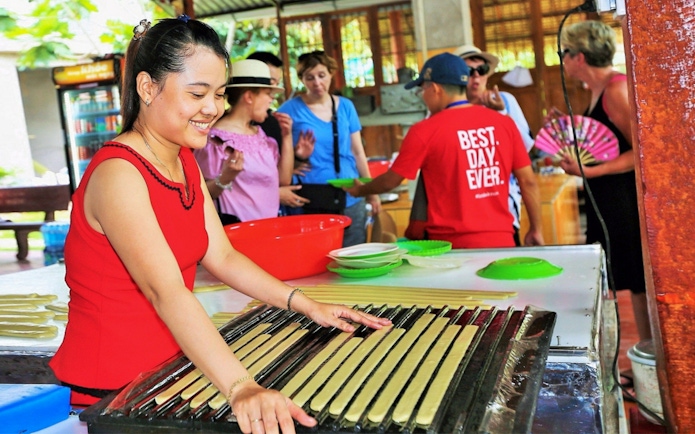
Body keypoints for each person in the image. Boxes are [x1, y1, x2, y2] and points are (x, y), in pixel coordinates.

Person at [48, 16, 391, 433]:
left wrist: (306, 305)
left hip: (170, 373)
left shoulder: (182, 160)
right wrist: (241, 386)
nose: (213, 108)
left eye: (219, 94)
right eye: (197, 93)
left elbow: (223, 255)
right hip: (109, 392)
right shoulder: (119, 173)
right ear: (147, 88)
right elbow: (166, 291)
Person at [345, 52, 543, 249]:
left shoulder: (424, 130)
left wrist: (361, 190)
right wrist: (536, 229)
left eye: (422, 90)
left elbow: (390, 181)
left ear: (435, 88)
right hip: (502, 242)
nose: (423, 96)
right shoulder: (504, 123)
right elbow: (528, 182)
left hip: (450, 249)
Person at [559, 20, 650, 341]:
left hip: (624, 201)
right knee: (622, 281)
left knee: (640, 283)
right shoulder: (598, 89)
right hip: (606, 200)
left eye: (564, 53)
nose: (563, 60)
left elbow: (643, 153)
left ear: (579, 57)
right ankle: (642, 356)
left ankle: (651, 363)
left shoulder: (616, 89)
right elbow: (605, 144)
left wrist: (590, 171)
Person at [277, 51, 379, 247]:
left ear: (331, 74)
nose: (317, 82)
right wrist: (298, 160)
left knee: (354, 252)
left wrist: (371, 191)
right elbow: (274, 152)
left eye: (322, 75)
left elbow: (358, 152)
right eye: (310, 77)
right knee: (315, 255)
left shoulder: (346, 107)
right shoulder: (289, 110)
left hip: (349, 192)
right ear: (302, 80)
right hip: (310, 195)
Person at [194, 59, 294, 223]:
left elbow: (284, 180)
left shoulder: (261, 135)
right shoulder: (214, 140)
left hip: (270, 229)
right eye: (268, 94)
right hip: (238, 234)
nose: (271, 100)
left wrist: (287, 136)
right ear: (249, 97)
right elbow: (202, 195)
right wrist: (226, 177)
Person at [454, 45, 535, 245]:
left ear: (487, 75)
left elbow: (525, 148)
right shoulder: (449, 108)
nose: (476, 77)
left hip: (503, 201)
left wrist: (500, 114)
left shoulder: (506, 101)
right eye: (468, 71)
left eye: (481, 70)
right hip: (461, 205)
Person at [246, 51, 314, 212]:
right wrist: (273, 193)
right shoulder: (219, 133)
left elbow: (281, 173)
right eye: (270, 83)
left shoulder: (274, 121)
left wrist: (297, 157)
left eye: (277, 83)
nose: (274, 92)